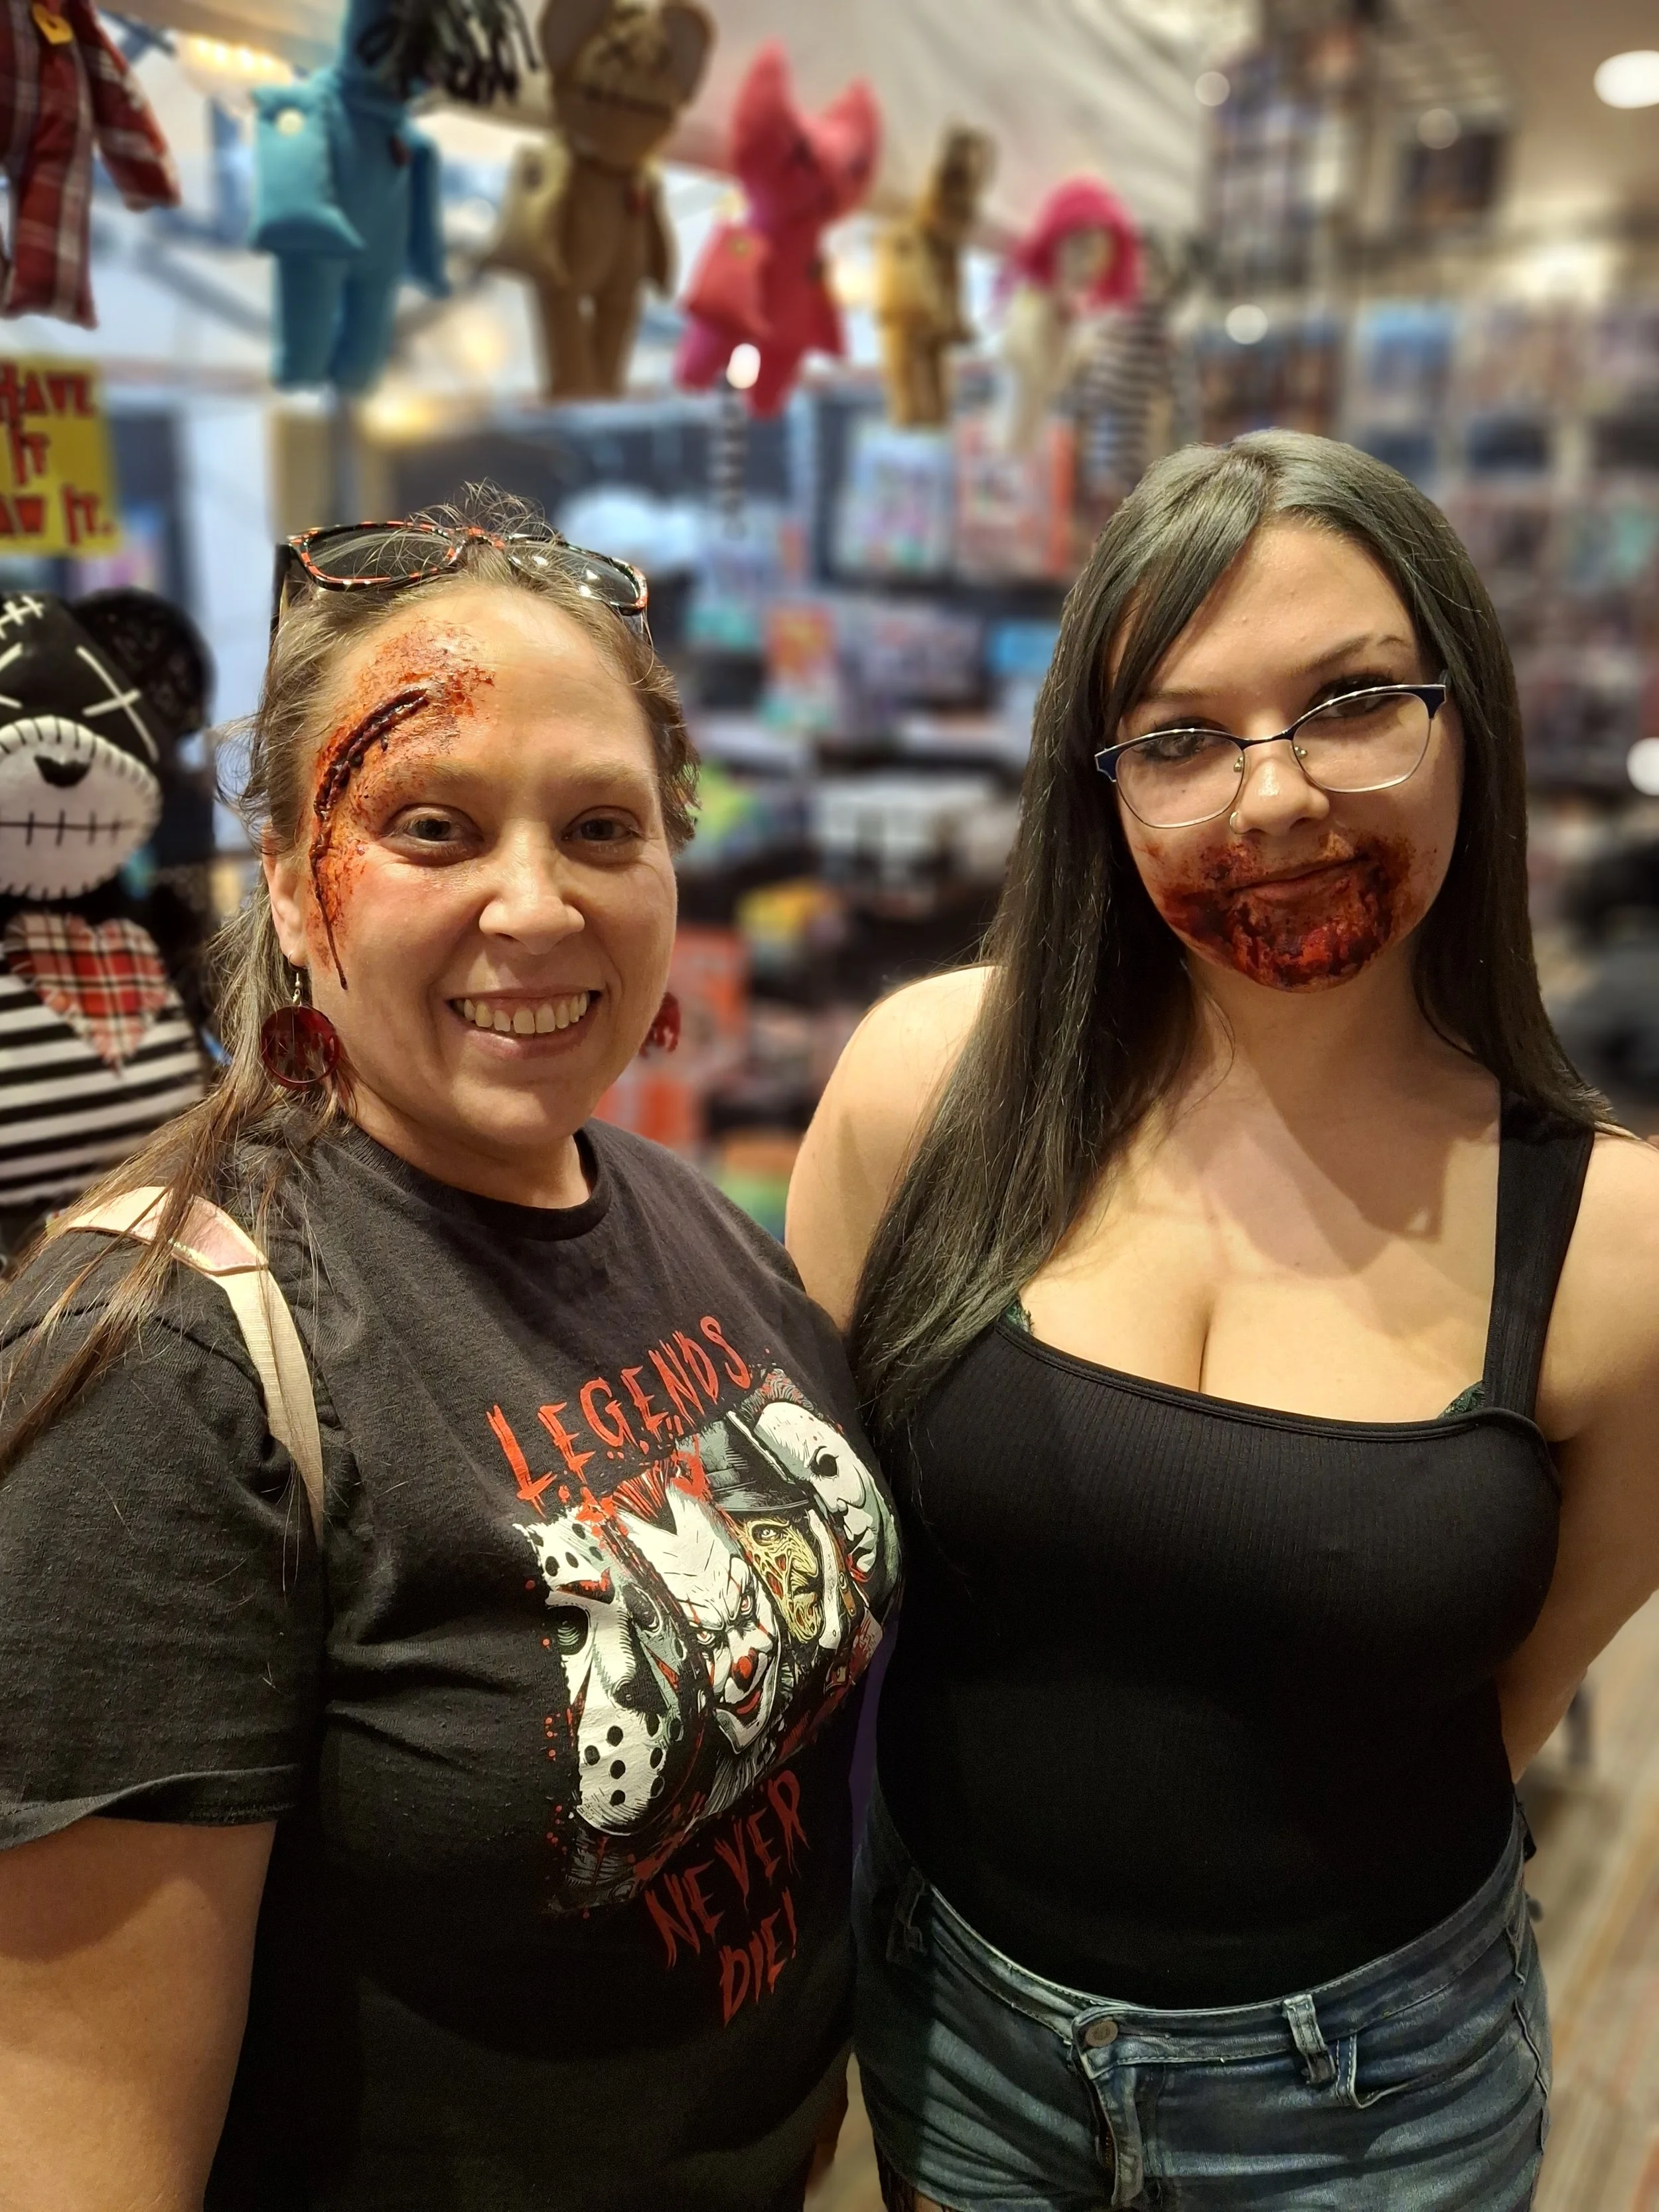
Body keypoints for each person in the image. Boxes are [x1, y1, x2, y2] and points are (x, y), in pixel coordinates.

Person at [786, 430, 1659, 2212]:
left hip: (1370, 2088)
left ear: (1462, 718)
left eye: (1351, 701)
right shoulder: (921, 1084)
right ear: (1098, 783)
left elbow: (1530, 1673)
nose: (1270, 800)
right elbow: (798, 1545)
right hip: (953, 2027)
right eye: (1179, 736)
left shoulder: (1613, 1242)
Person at [0, 492, 899, 2212]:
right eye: (430, 824)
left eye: (600, 826)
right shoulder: (164, 1371)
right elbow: (77, 2149)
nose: (533, 904)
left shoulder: (664, 1200)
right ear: (284, 878)